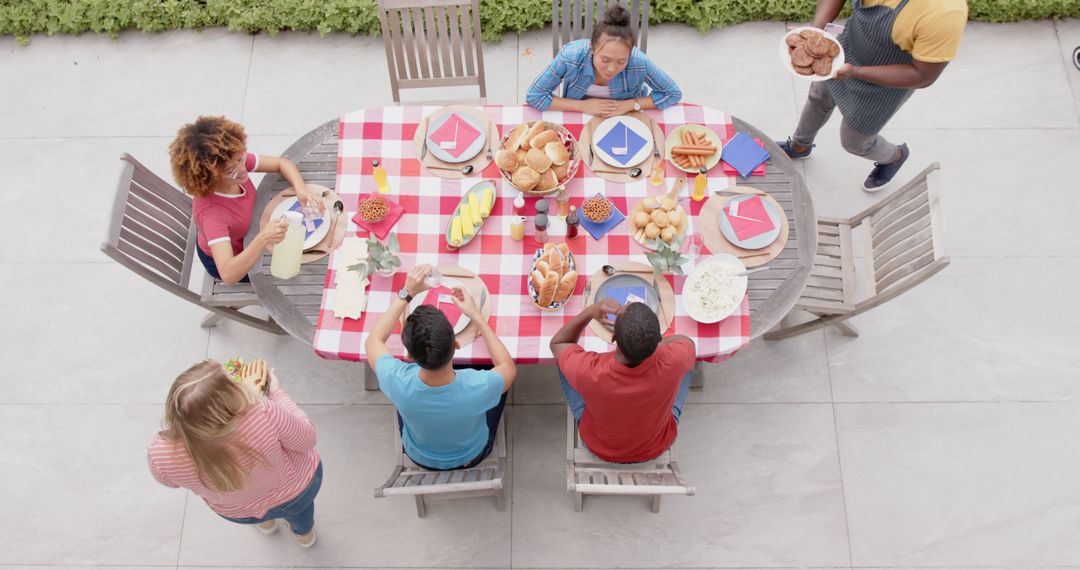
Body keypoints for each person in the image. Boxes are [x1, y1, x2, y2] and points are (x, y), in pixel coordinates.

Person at [777, 0, 968, 192]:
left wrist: (856, 72)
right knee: (819, 98)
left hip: (883, 85)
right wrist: (817, 32)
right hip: (845, 51)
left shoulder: (945, 13)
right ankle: (800, 145)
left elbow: (923, 75)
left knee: (854, 141)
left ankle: (895, 156)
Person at [147, 360, 322, 548]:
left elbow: (169, 482)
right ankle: (304, 536)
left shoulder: (161, 453)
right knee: (301, 515)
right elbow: (307, 439)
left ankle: (265, 523)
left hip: (239, 511)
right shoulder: (264, 411)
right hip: (295, 492)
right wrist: (278, 394)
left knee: (257, 513)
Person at [365, 264, 516, 471]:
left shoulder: (396, 379)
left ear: (408, 355)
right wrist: (477, 317)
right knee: (499, 385)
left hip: (418, 455)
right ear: (456, 345)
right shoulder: (479, 385)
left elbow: (373, 341)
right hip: (473, 454)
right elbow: (507, 367)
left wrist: (406, 294)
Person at [169, 116, 324, 284]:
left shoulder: (230, 160)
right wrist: (263, 238)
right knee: (296, 272)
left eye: (241, 159)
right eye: (231, 170)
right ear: (209, 177)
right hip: (232, 259)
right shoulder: (212, 215)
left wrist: (301, 189)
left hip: (247, 234)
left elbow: (282, 164)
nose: (243, 170)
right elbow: (229, 275)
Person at [550, 301, 696, 463]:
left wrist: (590, 312)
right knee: (686, 365)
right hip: (657, 445)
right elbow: (687, 342)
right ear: (657, 341)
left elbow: (559, 343)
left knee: (564, 361)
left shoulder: (589, 370)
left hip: (600, 447)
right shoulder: (674, 360)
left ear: (613, 338)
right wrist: (647, 342)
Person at [526, 3, 681, 117]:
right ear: (592, 48)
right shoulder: (570, 56)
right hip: (577, 114)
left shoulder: (639, 62)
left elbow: (672, 93)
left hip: (626, 116)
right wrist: (582, 106)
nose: (612, 68)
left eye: (621, 61)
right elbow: (535, 96)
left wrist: (629, 104)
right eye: (605, 59)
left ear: (630, 54)